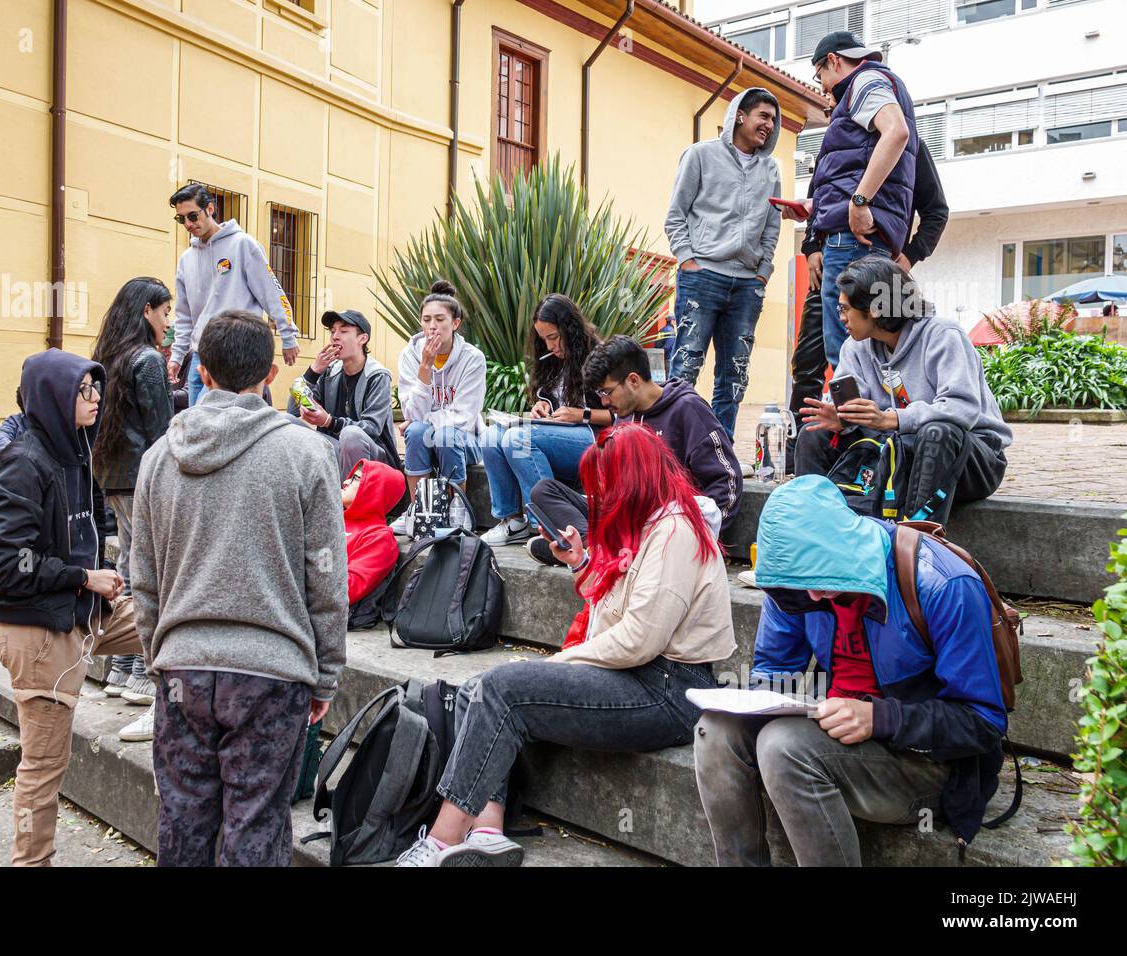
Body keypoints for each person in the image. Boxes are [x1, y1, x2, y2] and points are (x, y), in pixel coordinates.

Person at [396, 424, 733, 867]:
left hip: (668, 690)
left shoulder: (676, 532)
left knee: (502, 687)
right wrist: (584, 563)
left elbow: (638, 640)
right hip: (641, 676)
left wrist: (564, 661)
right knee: (480, 685)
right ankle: (487, 831)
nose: (604, 496)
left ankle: (441, 840)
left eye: (609, 484)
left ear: (634, 478)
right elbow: (618, 616)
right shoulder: (654, 527)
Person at [695, 474, 1008, 866]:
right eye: (799, 585)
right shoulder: (794, 584)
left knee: (783, 747)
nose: (811, 596)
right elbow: (773, 670)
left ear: (843, 548)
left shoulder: (942, 584)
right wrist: (758, 700)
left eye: (818, 579)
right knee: (716, 729)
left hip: (926, 765)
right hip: (840, 740)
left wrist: (880, 718)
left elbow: (983, 722)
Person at [130, 310, 347, 867]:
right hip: (272, 674)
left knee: (182, 824)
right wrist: (325, 672)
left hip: (183, 667)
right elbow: (325, 576)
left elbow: (144, 579)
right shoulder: (305, 453)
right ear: (271, 374)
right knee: (255, 828)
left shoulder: (157, 459)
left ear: (203, 373)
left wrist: (161, 656)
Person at [0, 349, 139, 866]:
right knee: (44, 767)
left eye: (97, 390)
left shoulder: (73, 451)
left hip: (80, 611)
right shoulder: (24, 464)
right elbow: (5, 567)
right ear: (54, 397)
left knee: (169, 625)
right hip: (39, 633)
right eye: (83, 392)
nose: (95, 400)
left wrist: (94, 579)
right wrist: (82, 577)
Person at [795, 257, 1010, 526]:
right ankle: (812, 529)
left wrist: (891, 418)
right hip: (893, 453)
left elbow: (961, 409)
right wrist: (842, 419)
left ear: (874, 309)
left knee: (937, 432)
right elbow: (855, 409)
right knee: (815, 435)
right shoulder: (855, 347)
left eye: (845, 309)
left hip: (969, 459)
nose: (841, 318)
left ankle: (917, 543)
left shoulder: (943, 335)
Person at [789, 134, 950, 470]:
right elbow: (819, 202)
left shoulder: (905, 145)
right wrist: (813, 246)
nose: (830, 99)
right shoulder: (837, 140)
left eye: (831, 85)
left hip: (870, 258)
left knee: (847, 354)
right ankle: (804, 460)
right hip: (828, 258)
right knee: (810, 363)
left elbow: (936, 211)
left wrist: (906, 259)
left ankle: (869, 452)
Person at [528, 335, 742, 566]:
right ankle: (593, 549)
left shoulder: (687, 409)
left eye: (606, 392)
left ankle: (590, 553)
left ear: (633, 380)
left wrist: (700, 538)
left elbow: (727, 479)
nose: (604, 402)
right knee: (544, 491)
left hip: (664, 524)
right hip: (623, 517)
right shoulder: (624, 415)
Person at [782, 31, 918, 370]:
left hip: (851, 238)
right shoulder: (878, 85)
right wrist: (816, 207)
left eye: (820, 77)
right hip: (866, 236)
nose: (824, 87)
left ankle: (853, 422)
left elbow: (895, 132)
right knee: (868, 350)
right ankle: (869, 420)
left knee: (845, 351)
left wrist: (859, 201)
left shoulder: (864, 81)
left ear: (833, 61)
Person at [664, 88, 783, 439]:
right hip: (702, 277)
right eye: (763, 116)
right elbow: (675, 216)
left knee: (734, 374)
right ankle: (672, 448)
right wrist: (687, 260)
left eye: (773, 120)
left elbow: (772, 226)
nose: (769, 125)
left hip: (748, 284)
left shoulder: (771, 168)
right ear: (740, 116)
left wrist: (763, 273)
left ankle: (721, 448)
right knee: (686, 365)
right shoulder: (700, 156)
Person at [90, 277, 176, 743]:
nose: (168, 322)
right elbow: (162, 429)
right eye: (165, 312)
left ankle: (122, 668)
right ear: (147, 311)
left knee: (127, 563)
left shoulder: (111, 356)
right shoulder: (147, 360)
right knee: (147, 572)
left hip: (114, 476)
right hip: (143, 474)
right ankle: (143, 671)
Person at [480, 294, 607, 547]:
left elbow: (618, 414)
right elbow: (550, 398)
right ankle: (512, 521)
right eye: (544, 339)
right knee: (491, 437)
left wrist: (581, 414)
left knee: (519, 438)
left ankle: (548, 527)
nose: (549, 346)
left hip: (595, 438)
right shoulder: (552, 362)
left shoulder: (598, 355)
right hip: (560, 435)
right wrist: (544, 406)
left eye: (553, 337)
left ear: (569, 329)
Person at [165, 183, 299, 406]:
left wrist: (288, 335)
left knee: (217, 424)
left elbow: (271, 291)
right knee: (199, 427)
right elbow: (185, 315)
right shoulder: (186, 259)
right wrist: (177, 356)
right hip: (200, 355)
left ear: (210, 208)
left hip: (236, 353)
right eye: (181, 219)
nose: (188, 224)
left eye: (192, 216)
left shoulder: (243, 245)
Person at [392, 280, 487, 533]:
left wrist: (426, 422)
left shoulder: (472, 359)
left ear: (455, 323)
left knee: (442, 434)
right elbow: (412, 415)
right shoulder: (410, 356)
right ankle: (419, 508)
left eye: (440, 319)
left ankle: (458, 507)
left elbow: (464, 417)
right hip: (425, 437)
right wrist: (425, 368)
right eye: (426, 320)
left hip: (465, 440)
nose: (432, 326)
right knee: (414, 431)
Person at [287, 309, 401, 478]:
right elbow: (293, 411)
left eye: (344, 331)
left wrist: (329, 421)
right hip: (335, 448)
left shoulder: (377, 376)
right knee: (286, 422)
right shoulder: (329, 371)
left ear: (363, 338)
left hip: (375, 457)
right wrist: (313, 372)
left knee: (351, 435)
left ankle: (352, 502)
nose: (335, 336)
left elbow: (371, 429)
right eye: (333, 331)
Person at [343, 458, 406, 609]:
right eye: (349, 477)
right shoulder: (330, 519)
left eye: (356, 478)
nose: (345, 482)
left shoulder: (379, 537)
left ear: (374, 489)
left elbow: (346, 590)